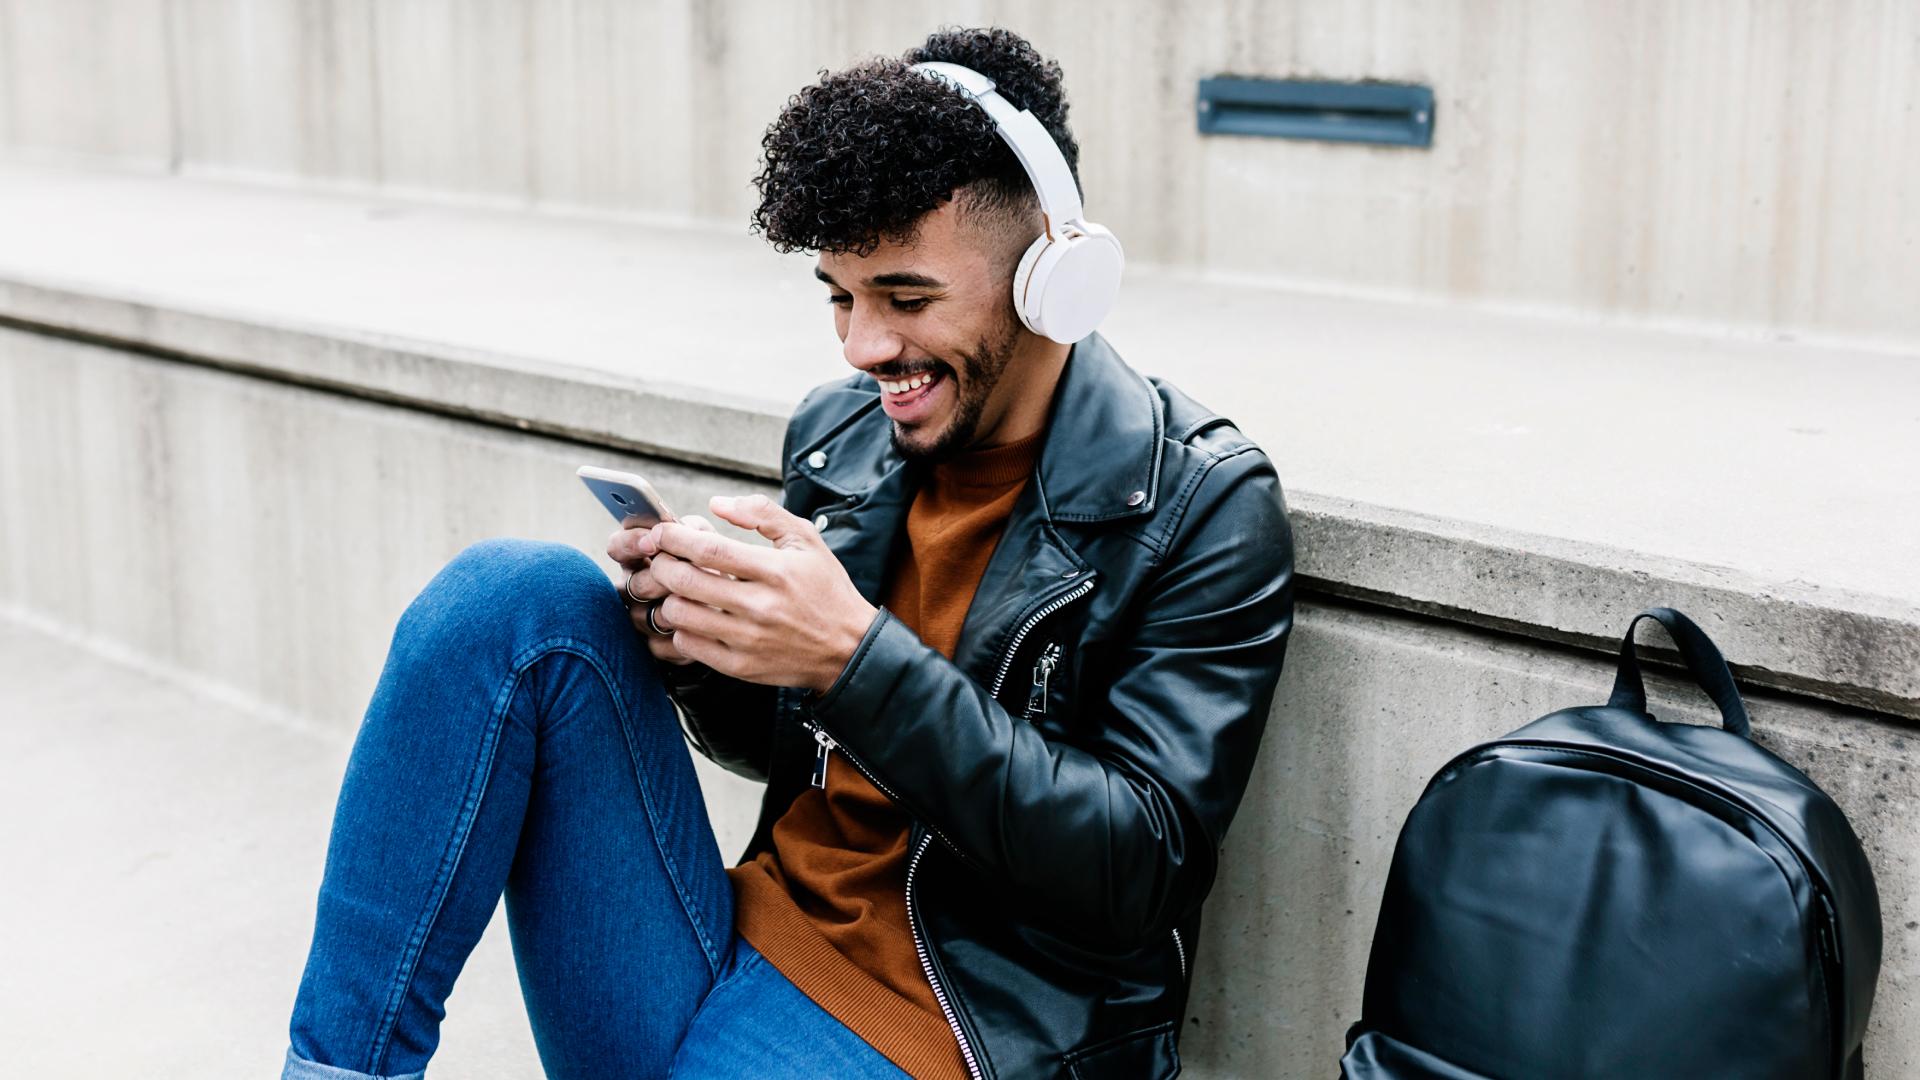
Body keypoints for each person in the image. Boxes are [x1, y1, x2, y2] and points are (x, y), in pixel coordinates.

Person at [283, 26, 1292, 1080]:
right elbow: (796, 749)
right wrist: (699, 650)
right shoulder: (845, 434)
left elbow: (1140, 871)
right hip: (735, 947)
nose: (863, 349)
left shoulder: (1197, 506)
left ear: (1053, 277)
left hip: (964, 1033)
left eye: (905, 299)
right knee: (512, 601)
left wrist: (850, 657)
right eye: (840, 298)